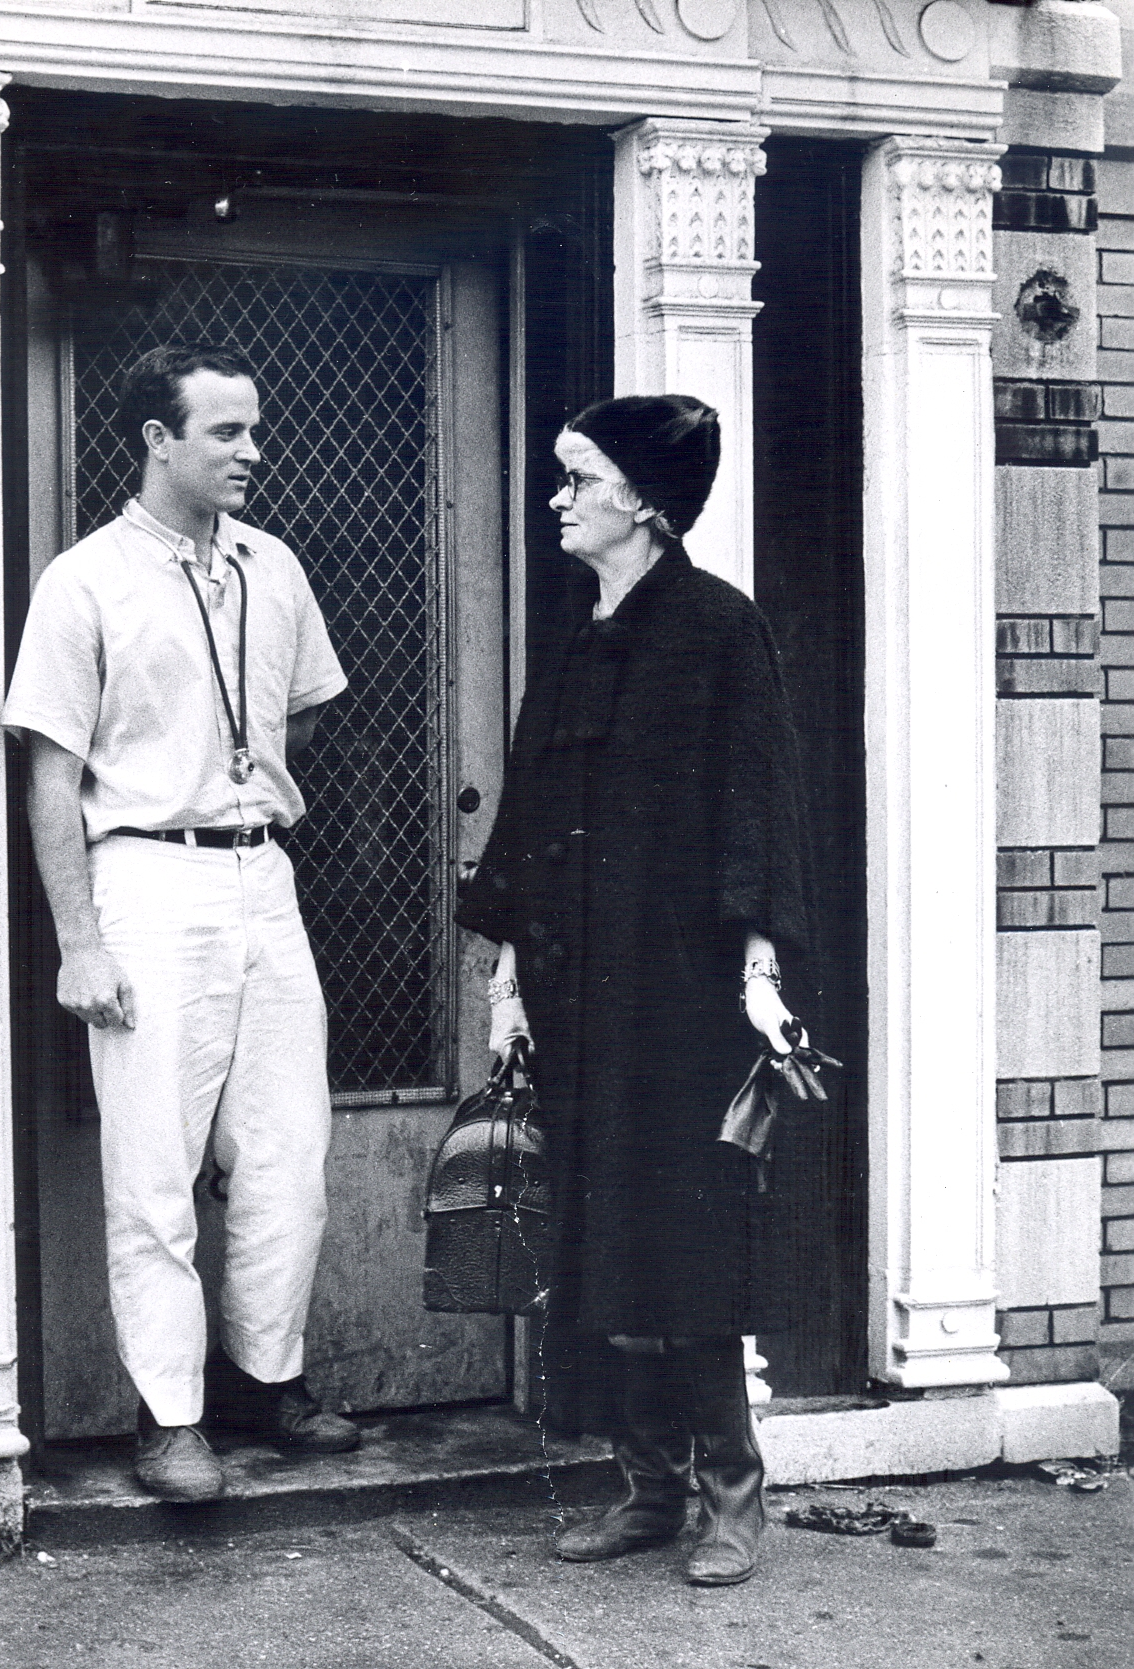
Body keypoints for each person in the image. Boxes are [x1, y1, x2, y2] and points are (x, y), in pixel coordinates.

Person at [455, 394, 811, 1587]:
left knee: (683, 1239)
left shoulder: (719, 629)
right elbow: (529, 816)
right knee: (599, 1238)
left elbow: (759, 810)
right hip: (574, 994)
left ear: (645, 503)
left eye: (579, 478)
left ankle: (731, 1496)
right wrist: (507, 969)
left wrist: (760, 971)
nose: (558, 497)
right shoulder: (579, 631)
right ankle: (647, 1487)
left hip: (680, 997)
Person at [2, 343, 359, 1503]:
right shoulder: (84, 581)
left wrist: (239, 801)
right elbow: (52, 777)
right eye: (225, 433)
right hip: (146, 884)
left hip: (264, 877)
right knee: (152, 1167)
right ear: (158, 439)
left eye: (254, 429)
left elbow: (301, 722)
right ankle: (170, 1420)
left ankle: (268, 1375)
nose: (253, 452)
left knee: (289, 1156)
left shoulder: (274, 565)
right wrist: (82, 941)